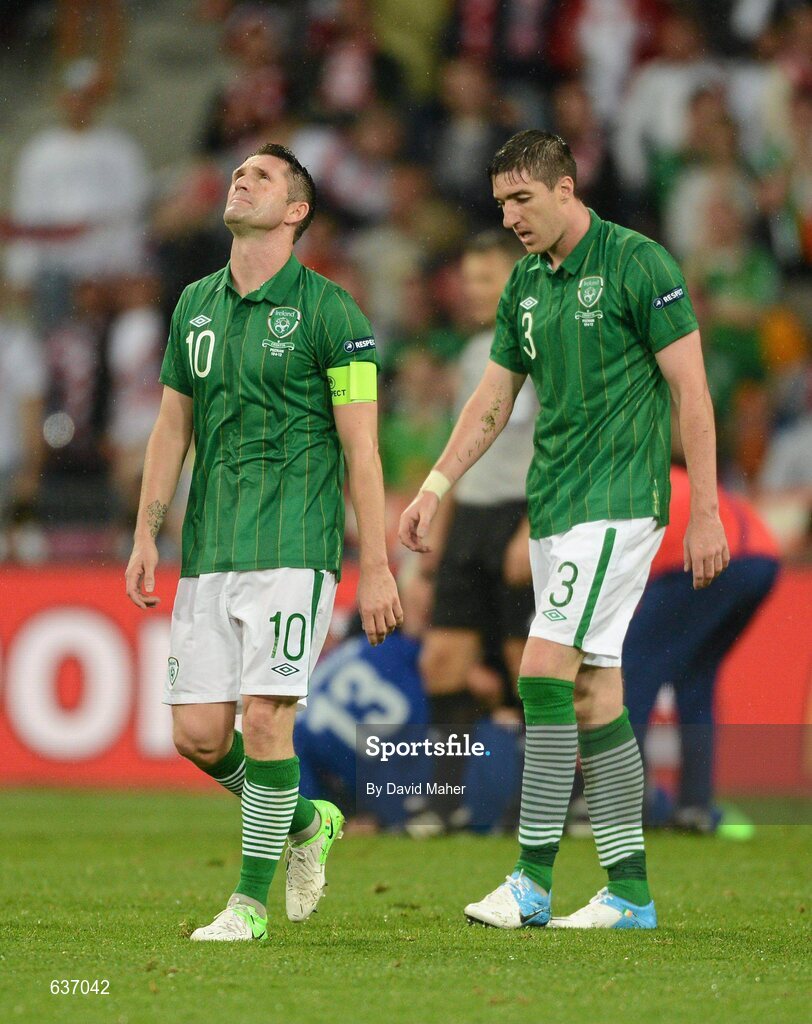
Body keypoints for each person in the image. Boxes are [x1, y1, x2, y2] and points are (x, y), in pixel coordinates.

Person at [399, 129, 729, 930]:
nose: (510, 216)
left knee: (543, 671)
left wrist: (707, 509)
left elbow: (690, 390)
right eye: (501, 203)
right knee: (592, 693)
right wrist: (437, 485)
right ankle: (629, 892)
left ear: (565, 189)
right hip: (552, 506)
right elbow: (492, 398)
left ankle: (531, 880)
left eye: (522, 199)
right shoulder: (524, 285)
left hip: (618, 502)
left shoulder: (638, 264)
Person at [125, 143, 401, 942]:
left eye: (263, 177)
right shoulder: (194, 305)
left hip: (295, 545)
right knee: (198, 736)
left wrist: (377, 565)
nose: (241, 180)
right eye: (239, 173)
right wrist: (146, 531)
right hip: (210, 547)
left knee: (267, 719)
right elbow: (171, 426)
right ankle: (306, 820)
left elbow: (363, 450)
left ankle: (247, 908)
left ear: (295, 211)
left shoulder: (333, 313)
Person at [407, 230, 537, 835]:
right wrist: (436, 527)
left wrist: (534, 526)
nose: (474, 290)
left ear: (516, 280)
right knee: (442, 660)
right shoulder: (472, 354)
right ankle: (444, 803)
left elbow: (563, 442)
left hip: (522, 513)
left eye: (487, 279)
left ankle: (546, 804)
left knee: (527, 667)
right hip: (472, 517)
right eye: (469, 280)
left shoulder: (542, 346)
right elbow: (464, 447)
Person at [623, 463, 780, 835]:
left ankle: (624, 804)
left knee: (632, 674)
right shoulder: (666, 474)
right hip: (761, 557)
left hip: (705, 559)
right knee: (695, 679)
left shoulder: (619, 482)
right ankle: (695, 805)